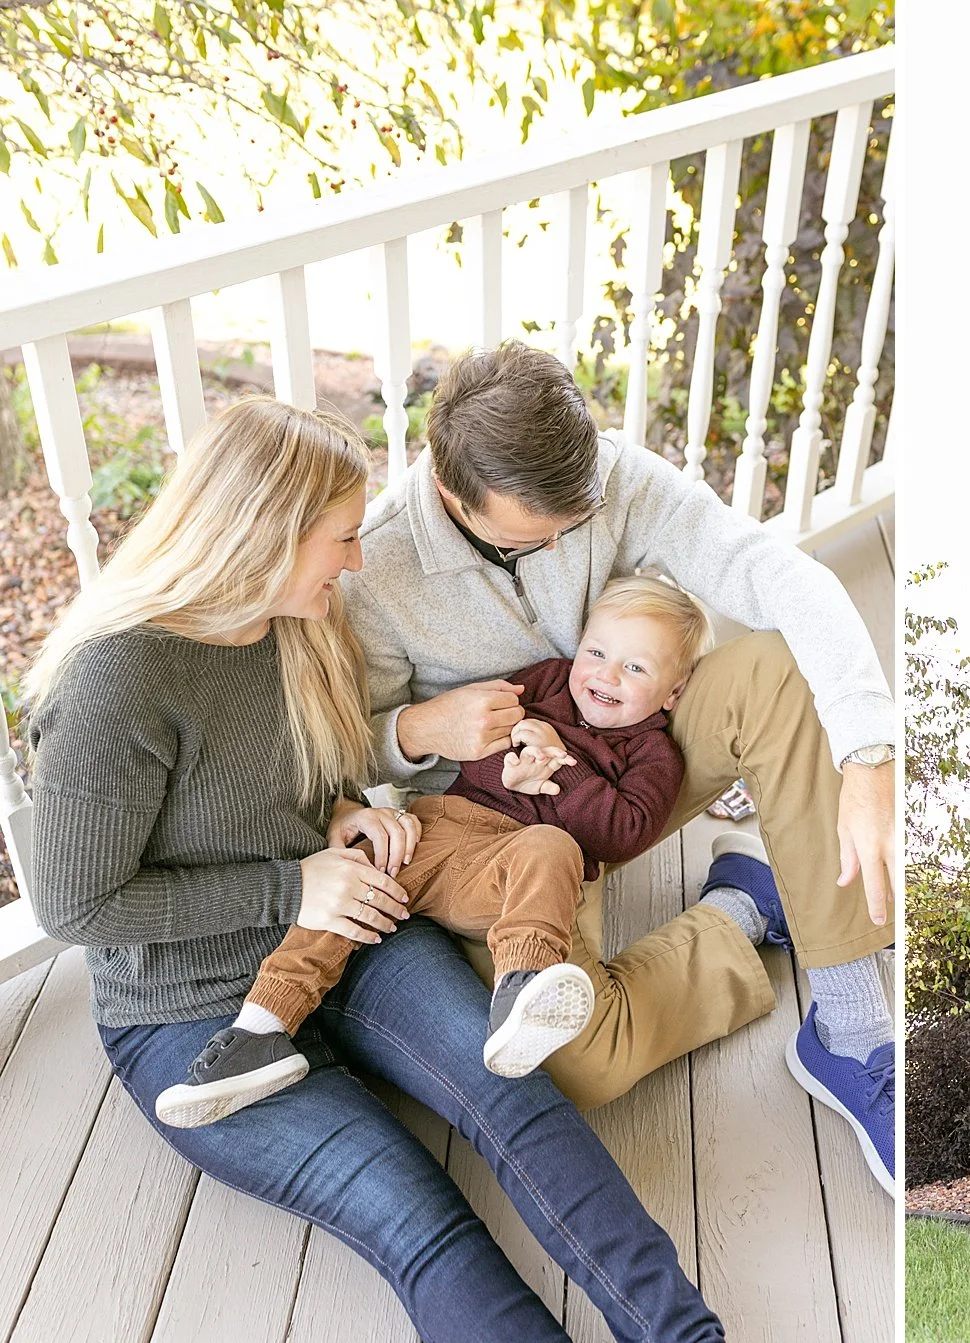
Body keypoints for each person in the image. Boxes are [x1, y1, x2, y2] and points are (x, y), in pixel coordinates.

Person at [24, 398, 724, 1342]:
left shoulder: (293, 626)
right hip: (192, 1011)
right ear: (263, 534)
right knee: (418, 1220)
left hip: (356, 929)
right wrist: (291, 885)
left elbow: (294, 780)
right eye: (342, 538)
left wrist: (342, 813)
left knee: (516, 1103)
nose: (359, 561)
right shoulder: (116, 684)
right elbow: (75, 904)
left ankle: (688, 1333)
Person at [344, 340, 896, 1193]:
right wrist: (419, 727)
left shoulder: (604, 474)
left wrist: (869, 756)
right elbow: (350, 748)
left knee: (779, 670)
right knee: (576, 1066)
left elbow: (768, 569)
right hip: (503, 837)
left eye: (579, 518)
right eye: (542, 534)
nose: (571, 539)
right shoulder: (376, 569)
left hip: (639, 767)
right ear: (453, 494)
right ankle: (741, 911)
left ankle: (855, 1030)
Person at [153, 574, 712, 1128]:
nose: (604, 675)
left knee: (552, 845)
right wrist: (512, 767)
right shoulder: (549, 682)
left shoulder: (655, 755)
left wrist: (558, 767)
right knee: (355, 874)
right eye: (596, 651)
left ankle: (522, 994)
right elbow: (477, 742)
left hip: (505, 869)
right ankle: (263, 1028)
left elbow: (623, 832)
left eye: (635, 668)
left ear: (674, 692)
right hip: (438, 825)